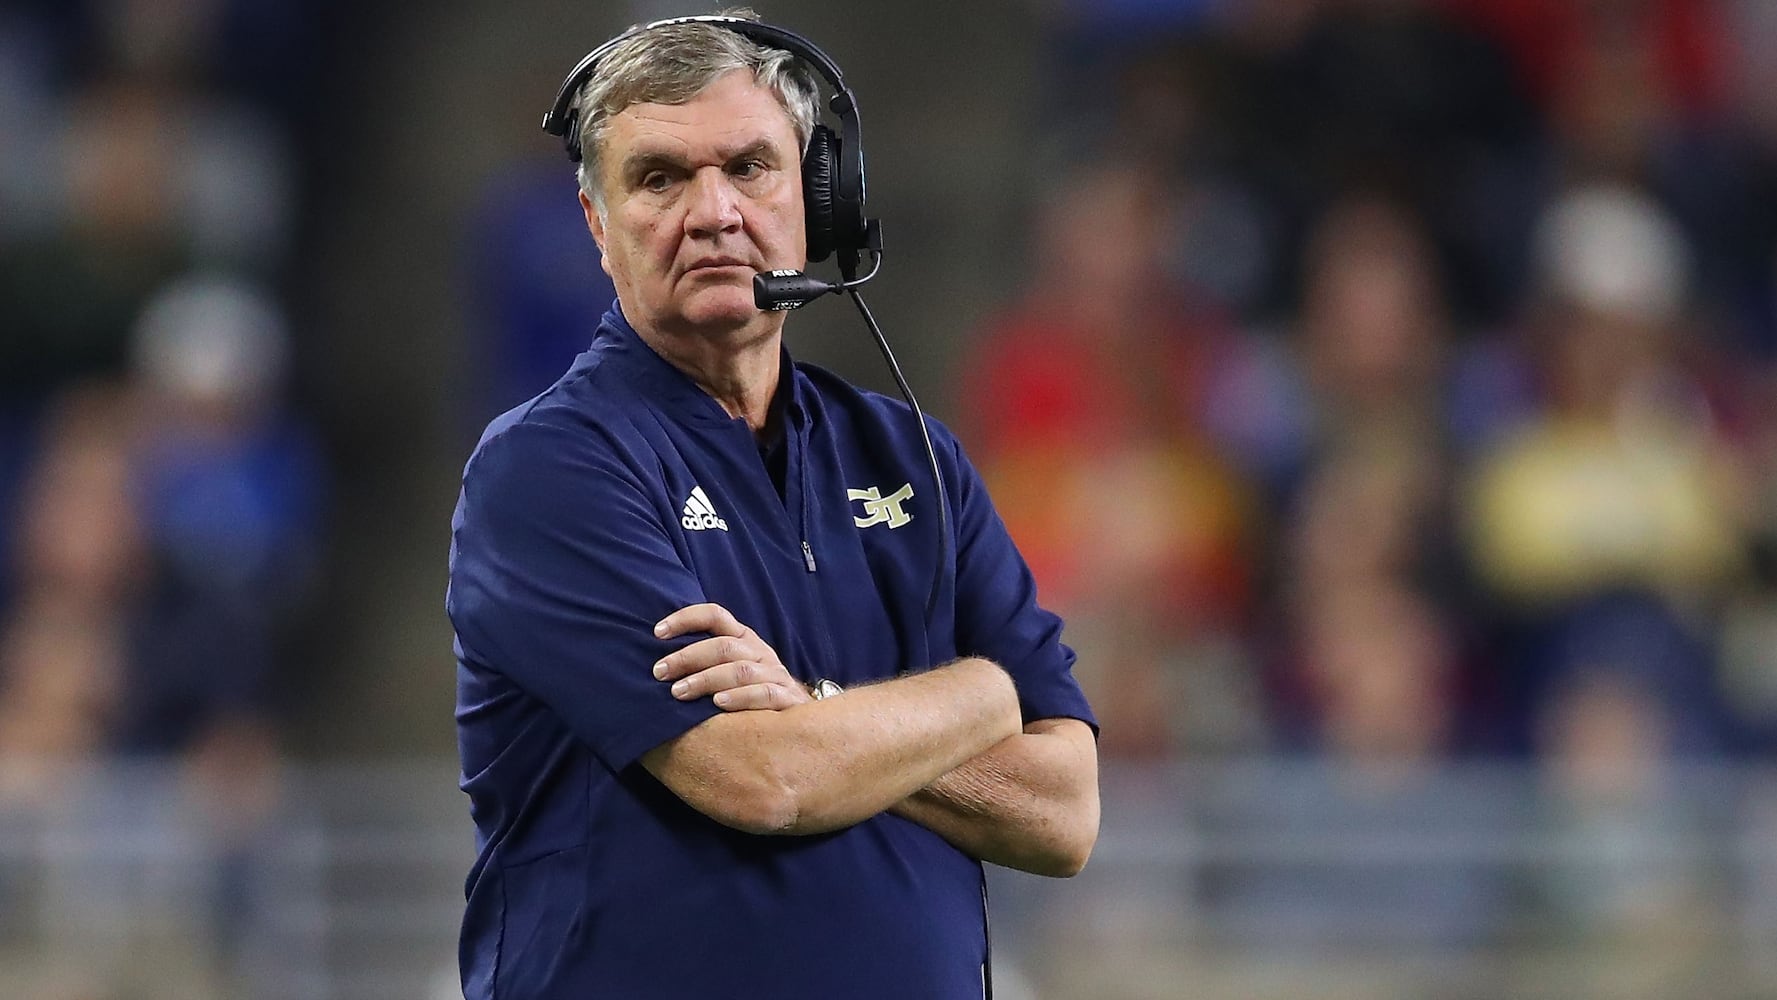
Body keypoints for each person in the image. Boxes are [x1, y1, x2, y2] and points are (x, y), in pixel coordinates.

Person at [445, 12, 1100, 1000]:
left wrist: (815, 709)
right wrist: (978, 696)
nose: (712, 211)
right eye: (659, 178)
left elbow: (1063, 813)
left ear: (820, 199)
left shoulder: (913, 457)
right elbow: (762, 779)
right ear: (597, 224)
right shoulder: (548, 470)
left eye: (749, 167)